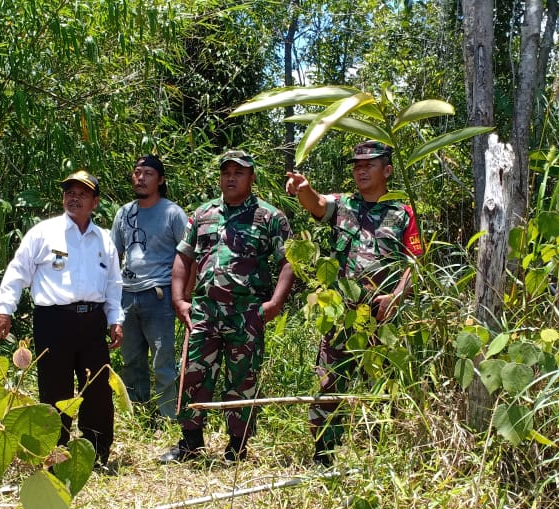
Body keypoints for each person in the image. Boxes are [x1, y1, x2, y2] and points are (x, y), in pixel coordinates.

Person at [284, 140, 424, 466]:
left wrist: (397, 297)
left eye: (369, 165)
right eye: (357, 165)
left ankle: (379, 456)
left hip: (383, 316)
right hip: (342, 313)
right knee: (329, 381)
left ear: (387, 170)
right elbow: (317, 204)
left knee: (381, 385)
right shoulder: (344, 204)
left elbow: (416, 262)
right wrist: (304, 188)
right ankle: (324, 455)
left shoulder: (403, 213)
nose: (361, 170)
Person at [159, 150, 295, 464]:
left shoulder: (269, 217)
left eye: (238, 172)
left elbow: (290, 261)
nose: (230, 178)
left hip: (246, 313)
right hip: (204, 312)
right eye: (226, 172)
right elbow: (184, 257)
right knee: (193, 375)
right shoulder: (203, 213)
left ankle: (237, 448)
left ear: (252, 177)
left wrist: (274, 303)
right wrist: (179, 300)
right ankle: (190, 444)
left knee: (242, 380)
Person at [0, 170, 124, 467]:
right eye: (69, 192)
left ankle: (96, 452)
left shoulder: (104, 240)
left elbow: (113, 286)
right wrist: (4, 309)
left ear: (95, 201)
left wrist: (116, 320)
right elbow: (17, 272)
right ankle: (56, 451)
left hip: (92, 322)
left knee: (97, 389)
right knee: (54, 388)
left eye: (83, 193)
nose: (74, 197)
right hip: (54, 321)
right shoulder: (44, 233)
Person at [110, 155, 188, 422]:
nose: (141, 178)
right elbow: (113, 256)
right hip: (127, 293)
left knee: (162, 361)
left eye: (148, 173)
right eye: (137, 172)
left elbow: (189, 257)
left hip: (160, 293)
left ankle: (169, 417)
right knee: (131, 359)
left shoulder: (173, 213)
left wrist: (183, 297)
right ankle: (139, 415)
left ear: (161, 180)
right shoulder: (124, 212)